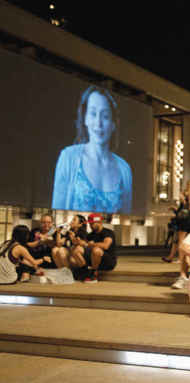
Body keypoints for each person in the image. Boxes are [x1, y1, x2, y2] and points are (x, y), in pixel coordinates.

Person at [52, 85, 132, 213]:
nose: (98, 123)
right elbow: (56, 211)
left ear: (113, 124)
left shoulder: (124, 169)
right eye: (93, 114)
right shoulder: (68, 158)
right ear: (85, 118)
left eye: (105, 116)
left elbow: (127, 215)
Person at [71, 213, 117, 283]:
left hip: (108, 262)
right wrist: (78, 242)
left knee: (96, 250)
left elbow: (105, 246)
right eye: (90, 224)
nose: (90, 226)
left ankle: (93, 274)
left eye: (92, 224)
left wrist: (90, 244)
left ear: (99, 222)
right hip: (93, 259)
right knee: (77, 250)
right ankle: (85, 272)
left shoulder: (108, 232)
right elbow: (85, 245)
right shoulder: (90, 235)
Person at [162, 181, 190, 263]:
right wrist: (175, 209)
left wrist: (183, 200)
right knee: (177, 239)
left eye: (188, 185)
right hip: (189, 218)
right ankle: (171, 257)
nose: (186, 186)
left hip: (186, 219)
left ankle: (181, 258)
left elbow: (189, 207)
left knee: (180, 240)